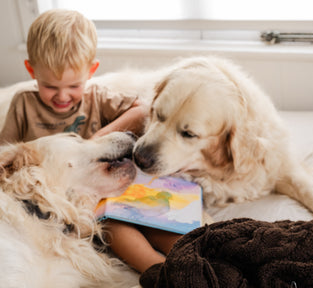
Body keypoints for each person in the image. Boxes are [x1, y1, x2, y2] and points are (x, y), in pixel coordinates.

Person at [0, 8, 181, 273]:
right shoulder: (23, 104)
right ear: (31, 70)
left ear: (91, 71)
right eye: (50, 86)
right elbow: (7, 157)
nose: (62, 96)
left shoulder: (98, 97)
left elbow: (141, 110)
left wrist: (98, 139)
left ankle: (196, 253)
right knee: (114, 227)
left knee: (157, 218)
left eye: (74, 86)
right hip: (57, 203)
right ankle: (161, 274)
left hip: (101, 184)